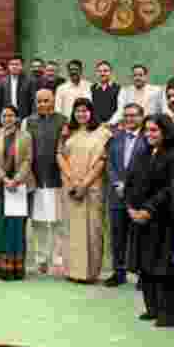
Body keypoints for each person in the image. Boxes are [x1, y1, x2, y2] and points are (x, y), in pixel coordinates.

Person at [127, 114, 174, 326]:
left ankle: (169, 314)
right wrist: (132, 207)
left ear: (165, 131)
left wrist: (149, 209)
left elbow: (170, 189)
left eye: (154, 130)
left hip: (162, 219)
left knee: (163, 268)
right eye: (147, 130)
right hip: (140, 219)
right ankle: (152, 309)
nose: (149, 134)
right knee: (146, 266)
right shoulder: (143, 152)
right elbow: (130, 181)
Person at [58, 98, 112, 283]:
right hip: (70, 187)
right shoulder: (68, 132)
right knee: (72, 229)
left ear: (92, 112)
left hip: (93, 188)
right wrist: (73, 181)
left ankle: (89, 273)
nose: (81, 114)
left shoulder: (103, 133)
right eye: (77, 111)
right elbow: (59, 156)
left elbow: (101, 162)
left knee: (93, 229)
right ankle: (72, 271)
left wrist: (84, 184)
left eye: (85, 110)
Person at [0, 105, 35, 280]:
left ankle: (16, 267)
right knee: (0, 226)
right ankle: (1, 268)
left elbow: (29, 160)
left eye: (11, 115)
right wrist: (5, 179)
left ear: (16, 118)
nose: (7, 118)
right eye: (4, 115)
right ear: (0, 118)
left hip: (19, 188)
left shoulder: (26, 136)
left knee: (16, 226)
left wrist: (16, 180)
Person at [24, 89, 68, 275]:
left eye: (46, 101)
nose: (42, 104)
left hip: (57, 177)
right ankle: (41, 259)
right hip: (35, 178)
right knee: (39, 222)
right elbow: (24, 149)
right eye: (39, 101)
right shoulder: (28, 122)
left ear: (53, 101)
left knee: (58, 221)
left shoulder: (64, 121)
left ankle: (58, 259)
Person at [104, 103, 147, 287]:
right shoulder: (115, 138)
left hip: (139, 197)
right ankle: (118, 272)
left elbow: (148, 168)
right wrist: (117, 183)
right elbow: (110, 164)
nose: (130, 119)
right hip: (117, 195)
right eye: (127, 115)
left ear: (141, 117)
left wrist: (130, 186)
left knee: (140, 237)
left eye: (134, 115)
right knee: (117, 236)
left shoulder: (148, 139)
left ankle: (141, 275)